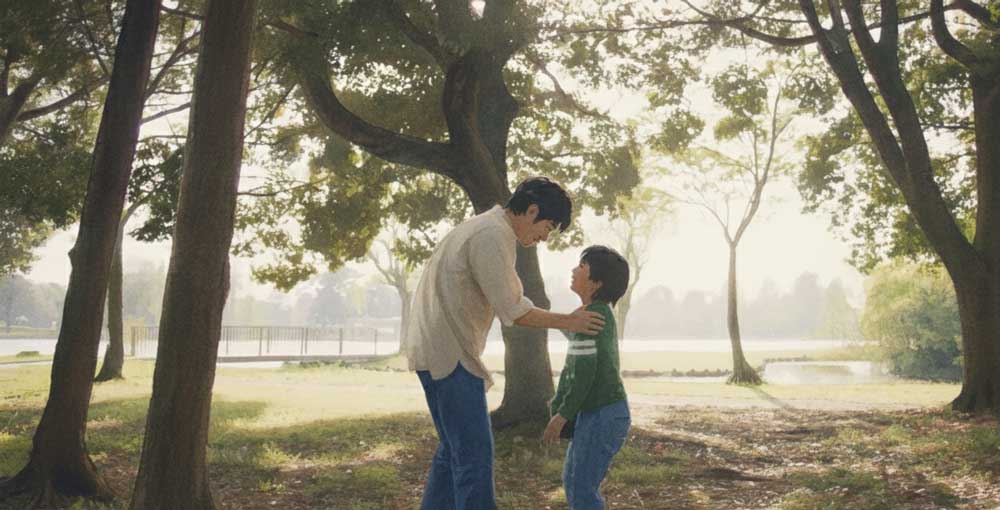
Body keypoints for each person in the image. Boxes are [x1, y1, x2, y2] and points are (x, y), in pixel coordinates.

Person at [403, 177, 606, 510]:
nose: (545, 237)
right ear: (531, 210)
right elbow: (513, 309)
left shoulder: (482, 226)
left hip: (435, 350)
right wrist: (568, 321)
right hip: (450, 357)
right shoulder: (492, 235)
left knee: (452, 453)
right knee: (474, 458)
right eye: (549, 226)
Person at [543, 245, 631, 510]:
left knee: (581, 488)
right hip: (601, 413)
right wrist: (561, 320)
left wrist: (561, 416)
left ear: (595, 283)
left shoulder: (591, 317)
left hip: (603, 414)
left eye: (581, 267)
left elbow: (584, 374)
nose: (573, 270)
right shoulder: (596, 313)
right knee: (573, 482)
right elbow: (575, 337)